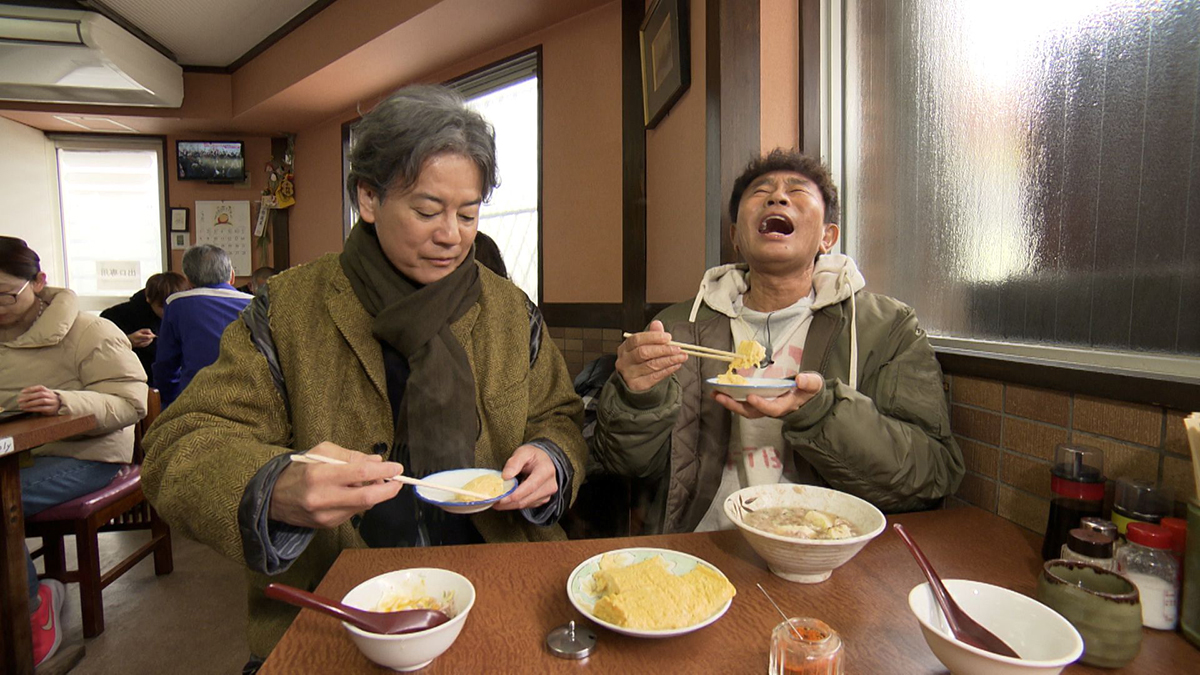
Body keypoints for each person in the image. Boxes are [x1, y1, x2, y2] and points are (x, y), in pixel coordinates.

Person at [141, 84, 587, 662]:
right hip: (338, 599)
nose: (451, 234)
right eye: (428, 210)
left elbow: (561, 417)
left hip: (501, 579)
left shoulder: (509, 310)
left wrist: (551, 458)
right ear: (369, 198)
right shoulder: (288, 308)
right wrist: (273, 486)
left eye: (469, 213)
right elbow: (181, 446)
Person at [593, 149, 964, 535]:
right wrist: (637, 398)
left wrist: (821, 413)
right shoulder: (676, 328)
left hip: (826, 549)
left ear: (827, 236)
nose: (777, 197)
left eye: (797, 190)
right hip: (705, 542)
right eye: (762, 191)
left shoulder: (886, 328)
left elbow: (933, 473)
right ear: (736, 236)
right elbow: (624, 465)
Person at [0, 236, 147, 667]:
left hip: (86, 456)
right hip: (14, 457)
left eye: (6, 295)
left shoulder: (89, 330)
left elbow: (131, 402)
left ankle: (29, 613)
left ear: (39, 283)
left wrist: (66, 401)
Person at [152, 245, 253, 406]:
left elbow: (166, 367)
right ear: (232, 276)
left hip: (197, 402)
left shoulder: (177, 303)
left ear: (188, 280)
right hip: (249, 400)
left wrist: (171, 404)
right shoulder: (255, 304)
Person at [100, 272, 190, 387]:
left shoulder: (187, 314)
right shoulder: (115, 316)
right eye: (162, 307)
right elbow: (101, 350)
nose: (169, 312)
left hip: (176, 383)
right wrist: (128, 341)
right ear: (149, 298)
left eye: (175, 307)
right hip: (136, 383)